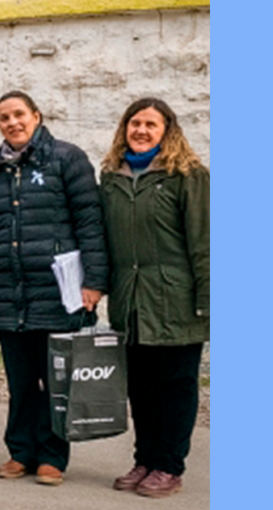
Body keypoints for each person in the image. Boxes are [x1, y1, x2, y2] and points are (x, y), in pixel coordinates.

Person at [0, 91, 107, 487]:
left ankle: (51, 456)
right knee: (20, 381)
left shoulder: (67, 158)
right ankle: (20, 452)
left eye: (18, 115)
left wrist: (95, 281)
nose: (12, 122)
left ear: (36, 116)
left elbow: (89, 222)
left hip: (59, 291)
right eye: (4, 117)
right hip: (10, 292)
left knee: (55, 379)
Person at [98, 98, 209, 499]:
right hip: (131, 302)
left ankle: (169, 465)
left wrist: (208, 301)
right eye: (134, 123)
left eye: (150, 124)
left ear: (167, 130)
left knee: (175, 385)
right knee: (141, 387)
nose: (141, 130)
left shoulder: (188, 175)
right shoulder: (112, 176)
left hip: (176, 300)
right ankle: (145, 459)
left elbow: (205, 243)